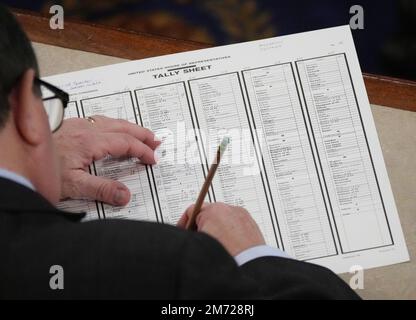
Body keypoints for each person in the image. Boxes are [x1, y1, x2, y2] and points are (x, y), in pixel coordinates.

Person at [0, 4, 359, 299]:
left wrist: (28, 161)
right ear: (28, 109)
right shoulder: (166, 263)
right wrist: (254, 258)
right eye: (50, 112)